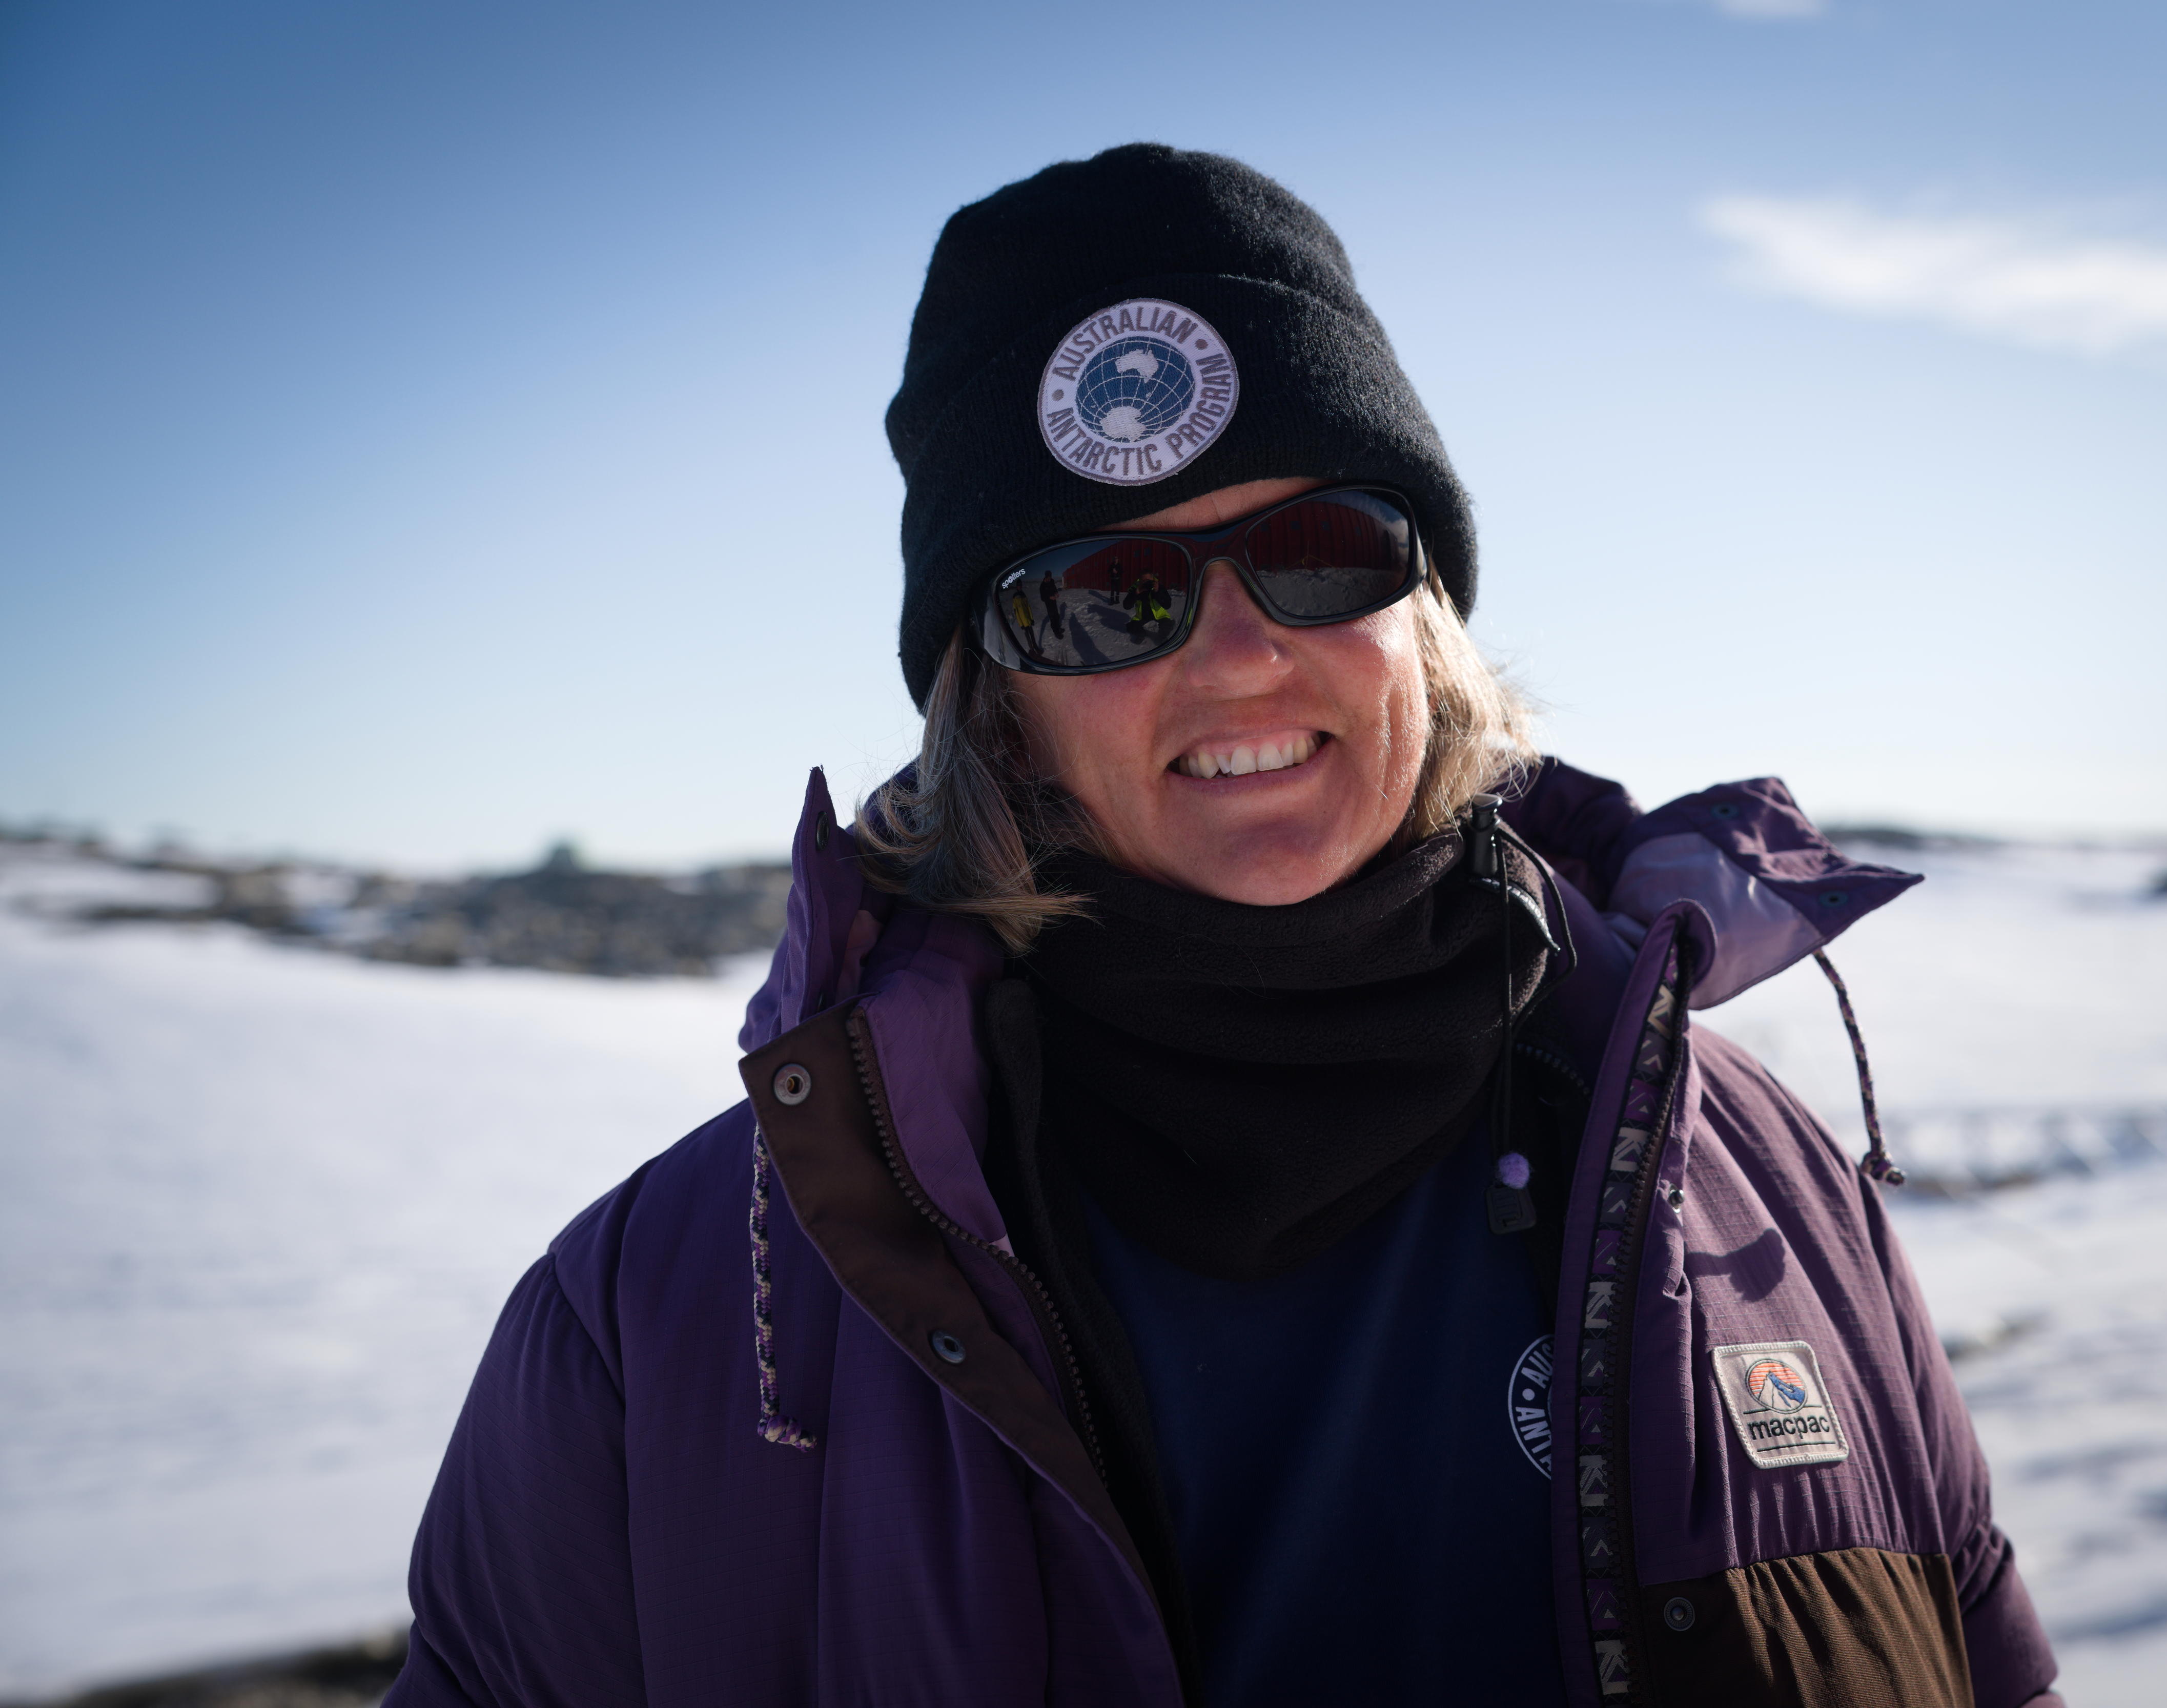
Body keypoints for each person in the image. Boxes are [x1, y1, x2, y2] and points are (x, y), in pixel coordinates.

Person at [386, 144, 2061, 1708]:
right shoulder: (665, 1326)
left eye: (1325, 549)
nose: (1241, 656)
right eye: (1109, 594)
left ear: (1430, 622)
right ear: (995, 709)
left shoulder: (1755, 1180)